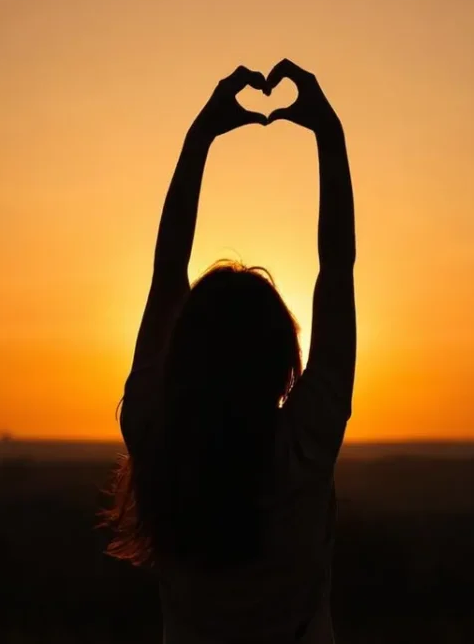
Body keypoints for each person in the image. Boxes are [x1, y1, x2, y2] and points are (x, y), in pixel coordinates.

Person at [107, 59, 356, 644]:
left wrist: (201, 136)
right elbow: (336, 270)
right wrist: (328, 132)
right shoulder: (304, 447)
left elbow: (168, 274)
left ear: (183, 354)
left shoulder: (154, 436)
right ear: (280, 362)